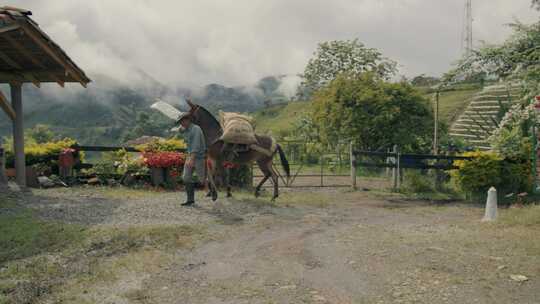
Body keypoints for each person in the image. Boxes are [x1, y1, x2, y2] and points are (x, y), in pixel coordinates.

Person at [177, 112, 207, 206]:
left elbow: (196, 145)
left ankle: (212, 188)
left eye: (182, 121)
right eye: (180, 122)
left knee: (201, 179)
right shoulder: (187, 129)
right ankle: (190, 200)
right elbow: (180, 130)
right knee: (186, 177)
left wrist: (192, 159)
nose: (181, 123)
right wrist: (181, 128)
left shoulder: (196, 129)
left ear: (187, 120)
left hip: (198, 157)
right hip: (190, 156)